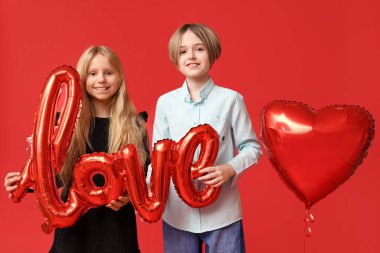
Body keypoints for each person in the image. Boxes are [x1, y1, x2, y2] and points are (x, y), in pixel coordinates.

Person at [4, 45, 150, 253]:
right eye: (93, 73)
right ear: (82, 79)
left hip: (117, 236)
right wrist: (25, 182)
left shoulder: (135, 126)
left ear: (119, 78)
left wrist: (130, 197)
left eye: (108, 73)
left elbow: (145, 177)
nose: (101, 79)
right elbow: (55, 175)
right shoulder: (64, 124)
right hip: (73, 237)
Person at [150, 23, 262, 253]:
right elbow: (157, 157)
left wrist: (230, 168)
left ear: (212, 53)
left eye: (199, 49)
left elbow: (252, 147)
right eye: (183, 51)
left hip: (223, 214)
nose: (191, 56)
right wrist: (149, 195)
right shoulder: (166, 103)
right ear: (175, 58)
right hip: (177, 215)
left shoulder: (232, 100)